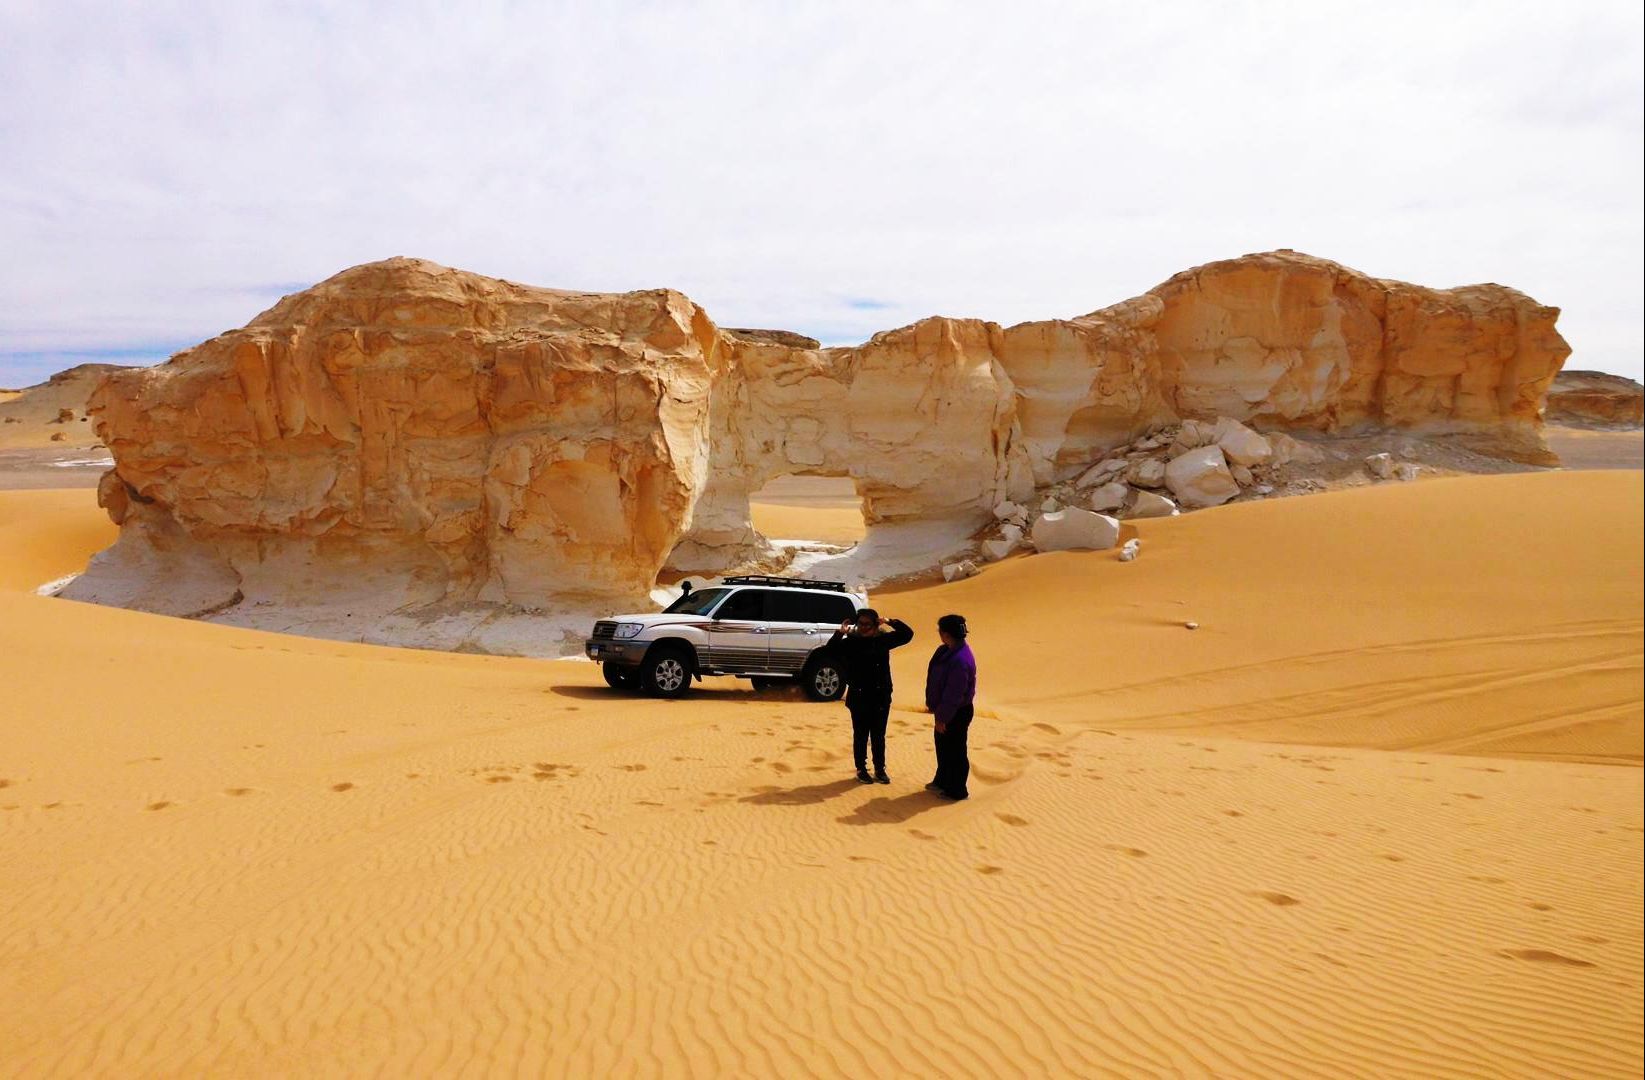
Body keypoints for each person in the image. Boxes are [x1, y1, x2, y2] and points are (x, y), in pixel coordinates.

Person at [827, 608, 914, 784]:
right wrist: (839, 633)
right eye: (861, 623)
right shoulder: (851, 642)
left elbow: (907, 634)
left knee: (878, 735)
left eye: (868, 624)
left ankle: (880, 769)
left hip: (880, 695)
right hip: (859, 696)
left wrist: (889, 621)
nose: (864, 627)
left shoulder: (883, 640)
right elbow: (830, 651)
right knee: (860, 735)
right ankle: (861, 769)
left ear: (875, 624)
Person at [924, 613, 977, 800]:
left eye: (940, 630)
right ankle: (942, 781)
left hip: (956, 712)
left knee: (956, 751)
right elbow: (935, 677)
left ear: (946, 634)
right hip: (945, 710)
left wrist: (942, 718)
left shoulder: (960, 659)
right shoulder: (945, 651)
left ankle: (957, 791)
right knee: (943, 747)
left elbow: (954, 694)